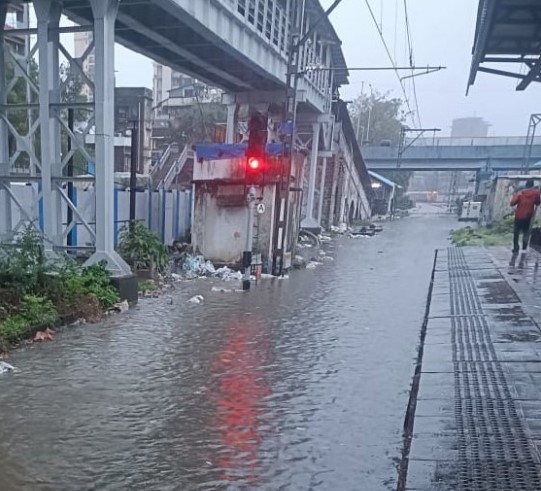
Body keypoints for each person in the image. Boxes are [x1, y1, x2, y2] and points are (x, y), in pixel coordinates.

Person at [510, 179, 541, 253]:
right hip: (528, 215)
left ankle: (516, 247)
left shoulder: (520, 193)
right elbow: (538, 202)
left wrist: (515, 194)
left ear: (526, 185)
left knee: (516, 232)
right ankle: (524, 246)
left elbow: (512, 203)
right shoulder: (536, 193)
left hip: (519, 215)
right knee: (526, 232)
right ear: (532, 185)